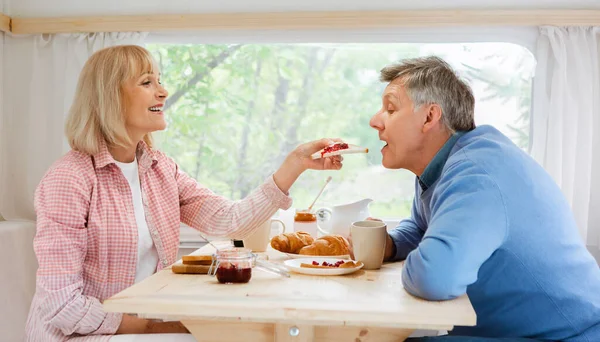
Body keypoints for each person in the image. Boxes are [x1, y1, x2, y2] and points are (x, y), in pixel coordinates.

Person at [24, 45, 343, 342]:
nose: (162, 91)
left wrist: (295, 164)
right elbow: (61, 306)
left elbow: (228, 223)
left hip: (134, 329)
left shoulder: (160, 169)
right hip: (81, 336)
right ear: (111, 97)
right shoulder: (70, 179)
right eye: (147, 82)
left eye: (159, 81)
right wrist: (157, 326)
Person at [368, 56, 600, 341]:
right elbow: (420, 228)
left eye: (390, 109)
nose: (374, 121)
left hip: (566, 336)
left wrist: (427, 259)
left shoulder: (476, 174)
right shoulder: (443, 166)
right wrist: (387, 245)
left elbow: (434, 277)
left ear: (429, 117)